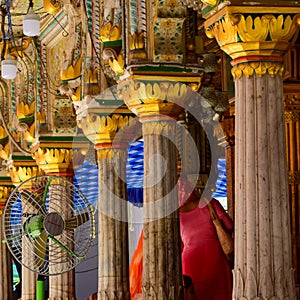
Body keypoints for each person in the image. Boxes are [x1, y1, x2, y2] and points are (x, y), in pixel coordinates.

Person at [179, 178, 233, 300]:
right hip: (214, 258)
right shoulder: (209, 203)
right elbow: (229, 225)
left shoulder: (176, 214)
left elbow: (178, 246)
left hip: (189, 262)